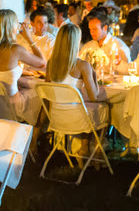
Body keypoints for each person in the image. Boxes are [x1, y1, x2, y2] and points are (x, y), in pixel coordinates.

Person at [45, 23, 105, 168]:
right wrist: (94, 75)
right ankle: (94, 151)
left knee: (88, 108)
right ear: (75, 42)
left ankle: (84, 148)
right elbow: (94, 97)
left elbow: (48, 90)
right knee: (105, 108)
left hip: (56, 119)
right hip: (78, 121)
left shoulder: (51, 63)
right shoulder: (82, 65)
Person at [0, 9, 46, 123]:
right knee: (43, 95)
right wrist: (29, 38)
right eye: (17, 23)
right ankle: (33, 136)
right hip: (11, 106)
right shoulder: (15, 49)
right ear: (11, 26)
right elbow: (42, 63)